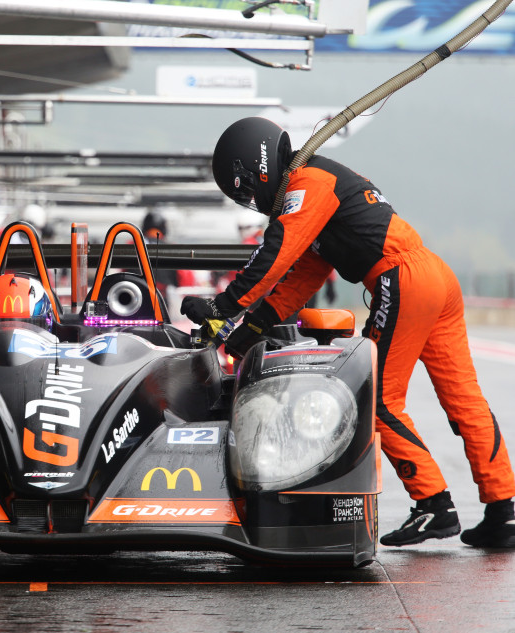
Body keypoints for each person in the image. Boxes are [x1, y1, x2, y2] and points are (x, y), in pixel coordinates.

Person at [181, 116, 515, 549]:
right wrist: (247, 332)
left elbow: (276, 254)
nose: (250, 200)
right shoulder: (319, 189)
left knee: (375, 400)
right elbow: (301, 278)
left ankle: (433, 502)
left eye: (244, 188)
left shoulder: (307, 183)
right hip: (433, 276)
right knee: (464, 399)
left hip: (401, 278)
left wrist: (220, 308)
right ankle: (504, 508)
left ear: (257, 168)